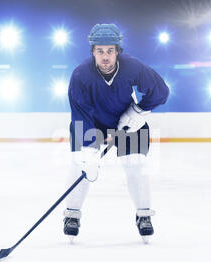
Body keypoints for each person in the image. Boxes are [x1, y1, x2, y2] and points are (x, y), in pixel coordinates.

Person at [63, 23, 169, 242]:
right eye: (100, 51)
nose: (105, 56)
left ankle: (144, 215)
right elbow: (80, 114)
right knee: (80, 164)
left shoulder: (132, 67)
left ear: (118, 51)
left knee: (136, 165)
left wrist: (138, 112)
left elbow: (160, 91)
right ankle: (72, 215)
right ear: (92, 51)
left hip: (126, 122)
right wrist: (89, 151)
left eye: (110, 51)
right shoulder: (80, 75)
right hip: (91, 123)